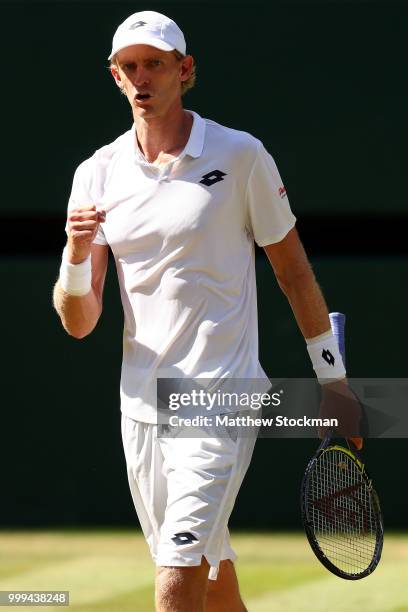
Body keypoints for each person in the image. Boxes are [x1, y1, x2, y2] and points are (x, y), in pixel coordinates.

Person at [53, 10, 361, 612]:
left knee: (175, 579)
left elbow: (293, 272)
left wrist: (335, 382)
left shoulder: (240, 155)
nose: (142, 78)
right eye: (130, 66)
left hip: (221, 395)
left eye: (156, 65)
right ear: (116, 76)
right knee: (214, 585)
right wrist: (75, 252)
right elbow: (79, 321)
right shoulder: (95, 174)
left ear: (184, 70)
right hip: (141, 406)